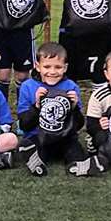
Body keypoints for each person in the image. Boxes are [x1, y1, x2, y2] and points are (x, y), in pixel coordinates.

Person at [16, 42, 82, 176]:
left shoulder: (71, 86)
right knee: (35, 146)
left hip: (64, 136)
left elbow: (79, 125)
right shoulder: (28, 87)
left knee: (74, 147)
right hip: (38, 136)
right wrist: (36, 106)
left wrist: (74, 108)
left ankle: (76, 165)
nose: (52, 72)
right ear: (37, 66)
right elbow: (24, 125)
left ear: (65, 68)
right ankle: (36, 164)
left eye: (58, 67)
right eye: (47, 66)